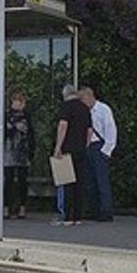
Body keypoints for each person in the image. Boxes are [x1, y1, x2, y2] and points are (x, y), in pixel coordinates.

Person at [53, 84, 92, 226]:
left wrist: (58, 146)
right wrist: (85, 145)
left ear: (65, 95)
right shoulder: (85, 108)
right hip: (81, 149)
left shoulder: (66, 107)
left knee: (67, 182)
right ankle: (78, 216)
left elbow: (63, 126)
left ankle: (68, 217)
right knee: (79, 183)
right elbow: (89, 131)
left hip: (68, 148)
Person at [81, 85, 117, 222]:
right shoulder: (85, 111)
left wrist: (107, 150)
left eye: (83, 98)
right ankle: (93, 210)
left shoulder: (103, 109)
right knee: (89, 181)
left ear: (90, 96)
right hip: (88, 147)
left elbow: (110, 129)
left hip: (99, 147)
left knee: (102, 181)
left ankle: (106, 211)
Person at [4, 88, 35, 219]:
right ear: (14, 102)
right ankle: (6, 207)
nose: (22, 105)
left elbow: (31, 133)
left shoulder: (27, 116)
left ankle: (22, 208)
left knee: (23, 180)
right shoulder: (6, 115)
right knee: (8, 180)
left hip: (23, 151)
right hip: (9, 151)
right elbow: (4, 132)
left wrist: (32, 151)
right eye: (20, 102)